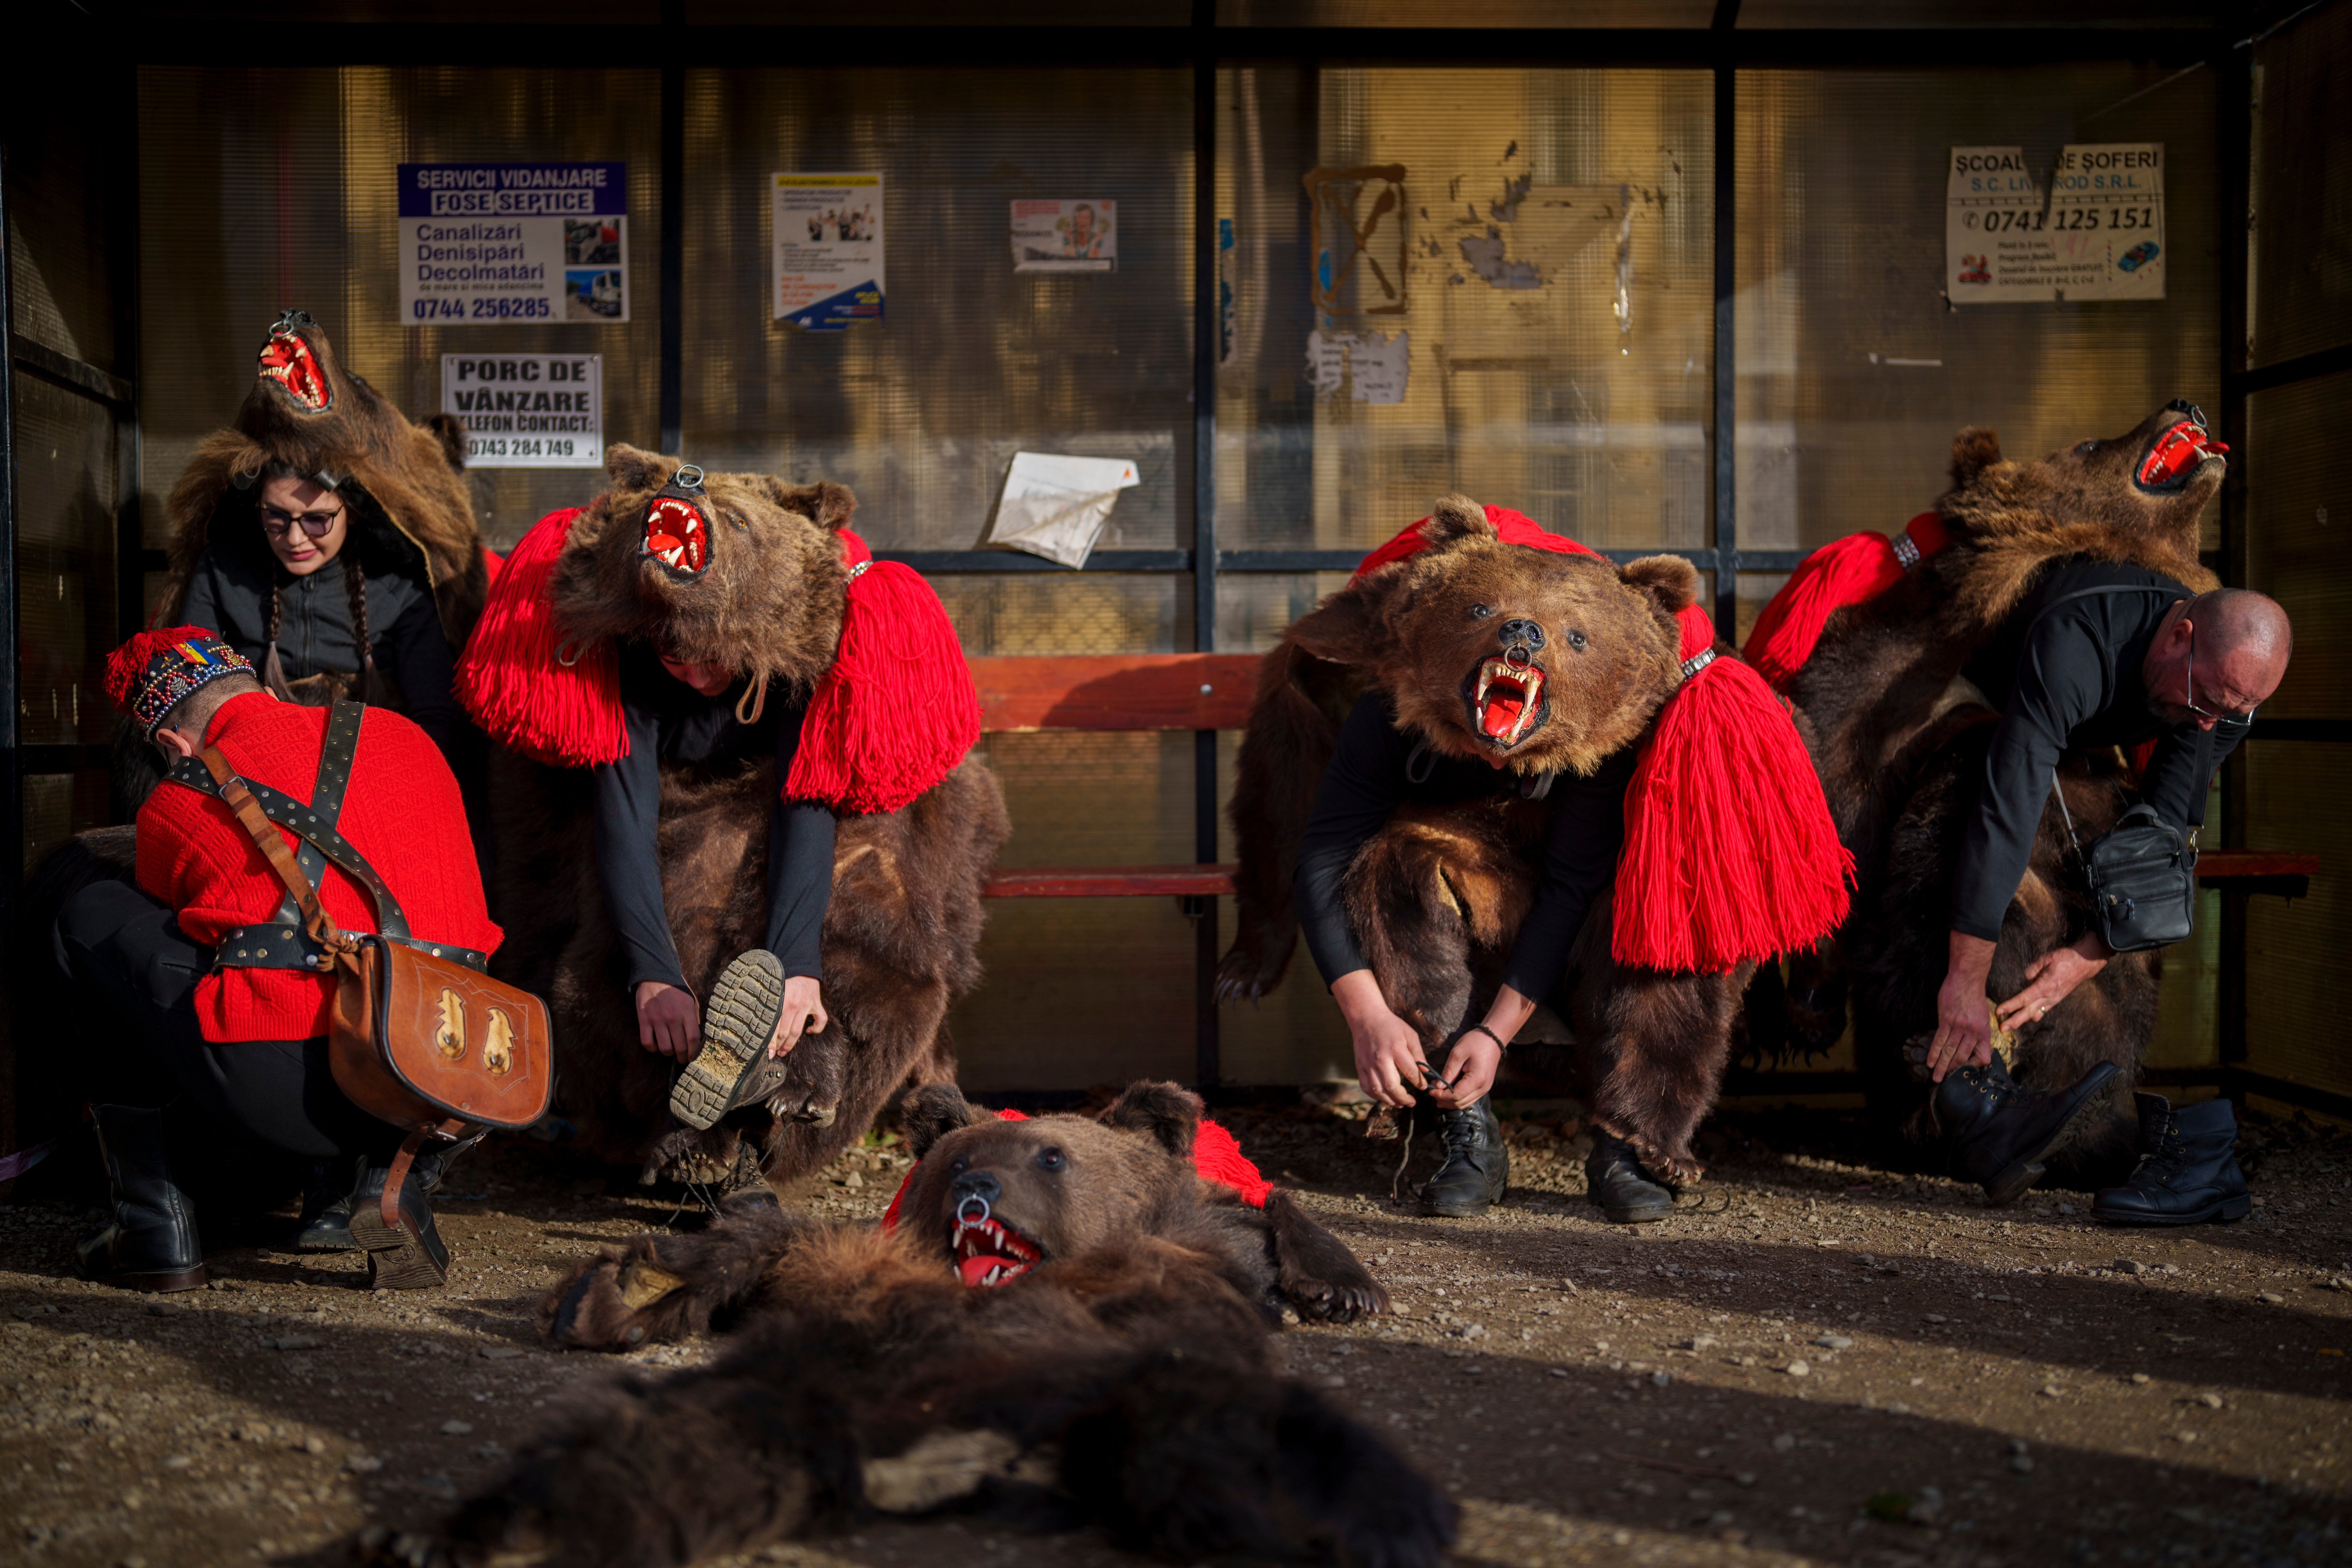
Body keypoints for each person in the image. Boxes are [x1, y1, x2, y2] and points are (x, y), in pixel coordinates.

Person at [57, 627, 502, 1291]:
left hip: (295, 1096)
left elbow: (181, 944)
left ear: (173, 745)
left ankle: (154, 1224)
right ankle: (390, 1179)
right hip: (457, 1070)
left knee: (92, 917)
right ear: (264, 690)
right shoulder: (408, 735)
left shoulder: (176, 800)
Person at [1921, 569, 2291, 1218]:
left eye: (2231, 714)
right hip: (1976, 687)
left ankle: (2158, 1136)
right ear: (2179, 637)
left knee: (2107, 909)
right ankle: (1980, 1105)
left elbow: (2169, 826)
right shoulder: (2077, 641)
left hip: (2084, 733)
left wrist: (2091, 952)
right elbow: (2009, 804)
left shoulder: (2221, 701)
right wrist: (1963, 980)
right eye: (2207, 699)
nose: (2211, 723)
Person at [1296, 701, 1636, 1220]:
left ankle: (1627, 1135)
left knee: (1649, 896)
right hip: (1455, 891)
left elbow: (1571, 885)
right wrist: (1367, 1015)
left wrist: (1497, 1032)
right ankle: (1466, 1126)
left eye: (1515, 745)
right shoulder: (1390, 711)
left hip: (1572, 902)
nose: (1496, 763)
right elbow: (1322, 861)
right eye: (1478, 739)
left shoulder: (1598, 722)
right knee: (1391, 869)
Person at [594, 641, 835, 1113]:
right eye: (676, 663)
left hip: (778, 794)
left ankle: (784, 1085)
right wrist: (654, 971)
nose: (700, 681)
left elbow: (806, 798)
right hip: (670, 799)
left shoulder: (794, 658)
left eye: (712, 659)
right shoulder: (627, 656)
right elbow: (624, 816)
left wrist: (799, 961)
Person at [177, 464, 469, 769]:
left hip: (376, 768)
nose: (294, 538)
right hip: (253, 766)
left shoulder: (401, 584)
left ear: (353, 511)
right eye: (275, 516)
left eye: (317, 520)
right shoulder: (221, 570)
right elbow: (191, 689)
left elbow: (437, 719)